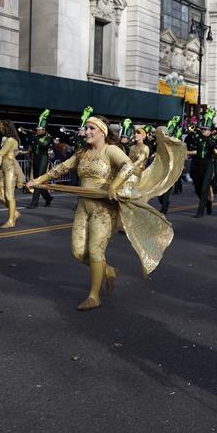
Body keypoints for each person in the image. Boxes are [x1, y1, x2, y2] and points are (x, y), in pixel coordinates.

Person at [27, 116, 184, 310]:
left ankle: (94, 296)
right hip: (83, 207)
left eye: (92, 128)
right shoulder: (82, 153)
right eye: (86, 128)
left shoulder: (110, 150)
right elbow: (60, 169)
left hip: (104, 208)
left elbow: (128, 166)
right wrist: (37, 180)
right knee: (78, 253)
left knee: (95, 250)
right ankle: (109, 271)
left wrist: (115, 186)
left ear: (102, 131)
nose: (87, 132)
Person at [27, 111, 54, 209]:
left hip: (43, 157)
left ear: (44, 130)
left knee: (38, 180)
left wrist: (33, 137)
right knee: (37, 181)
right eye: (37, 129)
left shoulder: (48, 137)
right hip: (36, 158)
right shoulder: (36, 137)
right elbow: (31, 147)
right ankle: (48, 198)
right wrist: (29, 137)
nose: (37, 131)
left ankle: (34, 202)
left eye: (39, 129)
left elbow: (43, 145)